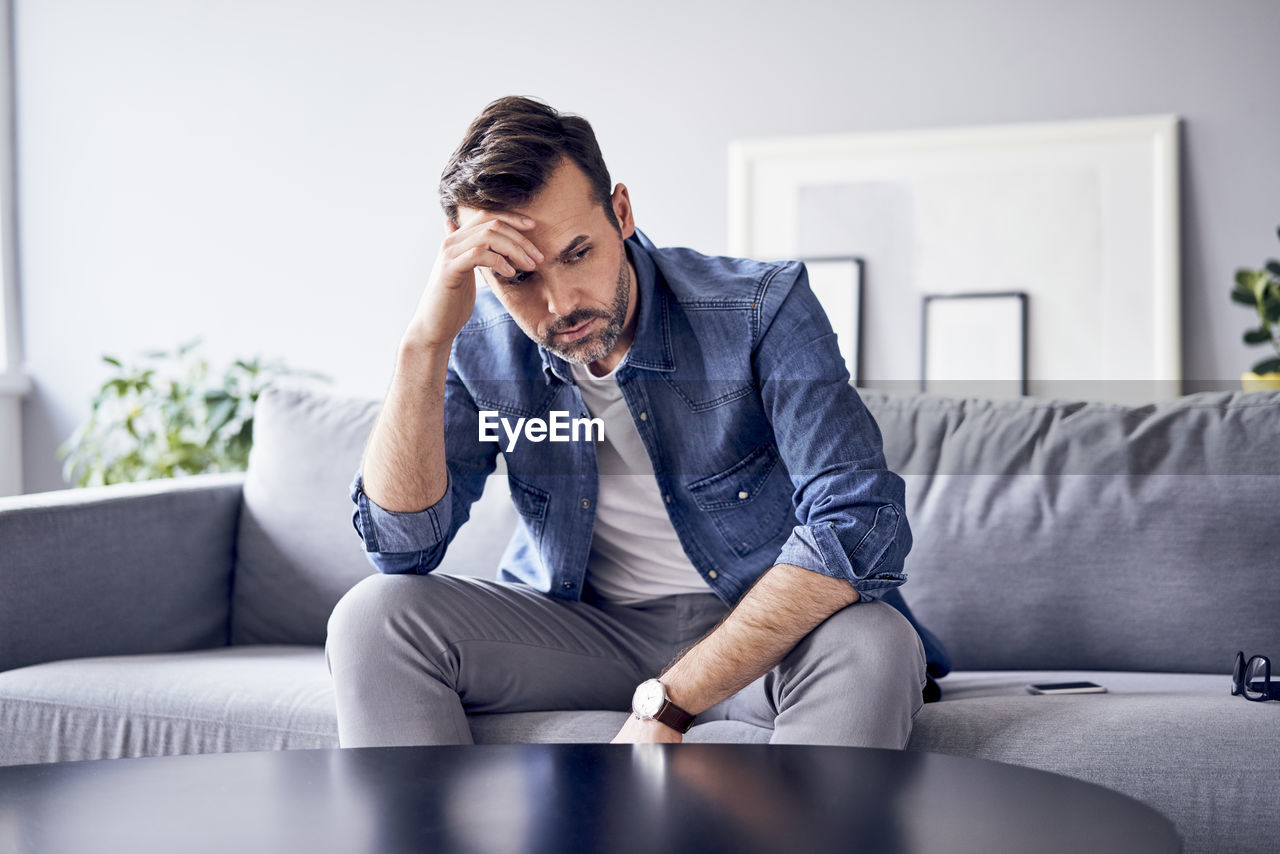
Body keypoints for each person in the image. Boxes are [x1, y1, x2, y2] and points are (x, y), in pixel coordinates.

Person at [326, 95, 948, 748]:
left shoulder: (758, 307)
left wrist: (669, 702)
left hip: (762, 633)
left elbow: (857, 522)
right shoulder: (475, 343)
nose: (559, 304)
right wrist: (424, 343)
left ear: (621, 212)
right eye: (518, 278)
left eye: (576, 254)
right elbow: (402, 549)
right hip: (583, 634)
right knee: (373, 616)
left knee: (876, 641)